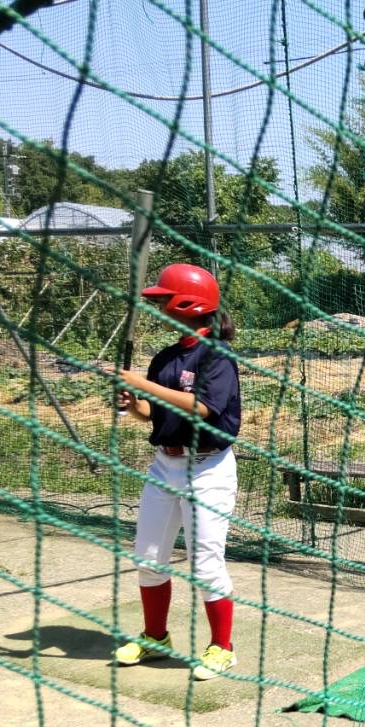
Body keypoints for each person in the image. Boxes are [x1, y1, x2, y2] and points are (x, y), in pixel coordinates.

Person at [112, 263, 244, 680]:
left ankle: (222, 648)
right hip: (165, 464)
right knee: (148, 557)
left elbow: (203, 408)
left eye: (165, 299)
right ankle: (156, 638)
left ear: (189, 304)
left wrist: (143, 384)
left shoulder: (217, 356)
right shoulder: (166, 357)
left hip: (207, 468)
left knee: (205, 563)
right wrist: (134, 403)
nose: (159, 306)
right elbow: (152, 412)